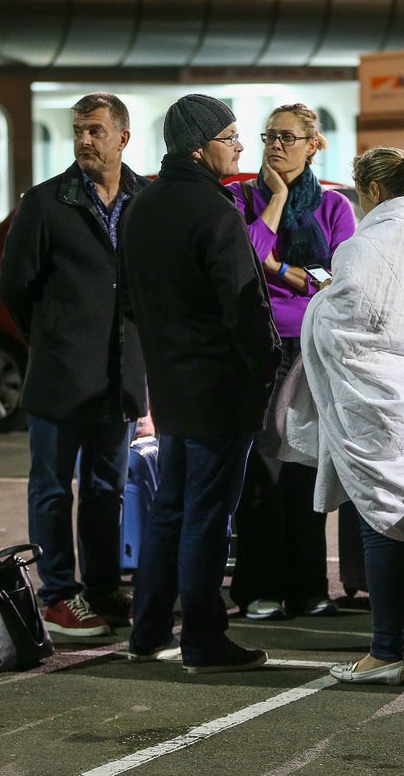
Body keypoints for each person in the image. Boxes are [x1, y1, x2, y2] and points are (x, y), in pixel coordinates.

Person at [296, 147, 404, 685]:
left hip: (378, 409)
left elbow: (352, 318)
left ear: (372, 192)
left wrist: (321, 303)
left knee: (379, 525)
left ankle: (383, 652)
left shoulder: (365, 245)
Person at [122, 94, 281, 674]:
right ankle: (204, 639)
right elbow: (245, 306)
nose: (241, 146)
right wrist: (264, 371)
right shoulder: (215, 212)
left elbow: (128, 300)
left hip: (170, 385)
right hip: (219, 388)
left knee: (171, 510)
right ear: (199, 145)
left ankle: (148, 630)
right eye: (230, 135)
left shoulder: (141, 207)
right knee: (207, 517)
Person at [0, 92, 148, 638]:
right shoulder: (45, 202)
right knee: (53, 488)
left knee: (109, 490)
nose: (85, 139)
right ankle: (58, 594)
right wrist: (50, 338)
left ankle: (104, 588)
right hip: (61, 374)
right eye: (80, 130)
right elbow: (13, 285)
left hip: (119, 378)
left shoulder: (142, 199)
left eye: (96, 131)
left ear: (123, 138)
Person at [228, 102, 357, 622]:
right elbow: (245, 254)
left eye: (287, 137)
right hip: (260, 347)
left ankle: (307, 588)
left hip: (311, 348)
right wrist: (276, 199)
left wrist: (279, 268)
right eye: (269, 136)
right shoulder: (241, 196)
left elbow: (338, 281)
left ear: (312, 145)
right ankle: (257, 588)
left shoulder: (334, 207)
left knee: (306, 468)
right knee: (262, 470)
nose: (275, 145)